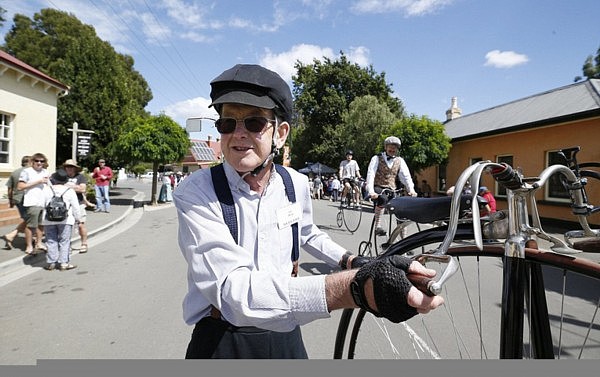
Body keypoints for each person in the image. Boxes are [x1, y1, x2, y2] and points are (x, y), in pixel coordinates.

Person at [173, 63, 443, 359]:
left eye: (253, 123)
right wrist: (354, 288)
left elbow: (305, 232)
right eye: (227, 123)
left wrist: (351, 260)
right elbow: (233, 293)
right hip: (222, 338)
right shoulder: (197, 192)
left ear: (280, 133)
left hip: (286, 330)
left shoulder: (295, 184)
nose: (238, 134)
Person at [365, 136, 418, 236]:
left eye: (395, 147)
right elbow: (371, 174)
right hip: (379, 187)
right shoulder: (376, 158)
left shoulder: (400, 160)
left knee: (402, 210)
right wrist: (371, 191)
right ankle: (378, 227)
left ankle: (404, 240)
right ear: (385, 147)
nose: (392, 149)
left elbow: (406, 176)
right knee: (383, 199)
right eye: (390, 147)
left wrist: (411, 189)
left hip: (393, 189)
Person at [41, 169, 81, 271]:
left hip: (49, 219)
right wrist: (78, 219)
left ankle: (51, 262)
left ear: (54, 179)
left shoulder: (46, 189)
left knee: (50, 240)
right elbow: (76, 207)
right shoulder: (69, 191)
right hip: (66, 220)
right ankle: (64, 263)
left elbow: (41, 205)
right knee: (65, 241)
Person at [17, 152, 50, 254]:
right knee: (31, 225)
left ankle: (39, 243)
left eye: (42, 161)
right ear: (32, 162)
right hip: (32, 202)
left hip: (44, 202)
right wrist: (38, 181)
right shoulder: (27, 172)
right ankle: (29, 246)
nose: (39, 163)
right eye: (37, 161)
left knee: (41, 225)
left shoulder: (46, 172)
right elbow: (20, 186)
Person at [60, 159, 90, 253]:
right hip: (65, 205)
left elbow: (82, 189)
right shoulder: (61, 177)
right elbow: (56, 187)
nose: (69, 168)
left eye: (71, 167)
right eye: (67, 166)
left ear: (75, 168)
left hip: (79, 203)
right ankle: (67, 246)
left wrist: (67, 186)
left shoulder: (80, 177)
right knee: (66, 226)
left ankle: (84, 243)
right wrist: (75, 187)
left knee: (81, 225)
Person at [2, 156, 31, 250]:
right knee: (30, 219)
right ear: (30, 162)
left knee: (28, 219)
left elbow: (9, 188)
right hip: (27, 199)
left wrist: (10, 200)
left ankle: (12, 236)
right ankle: (12, 235)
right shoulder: (31, 172)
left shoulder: (14, 172)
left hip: (17, 199)